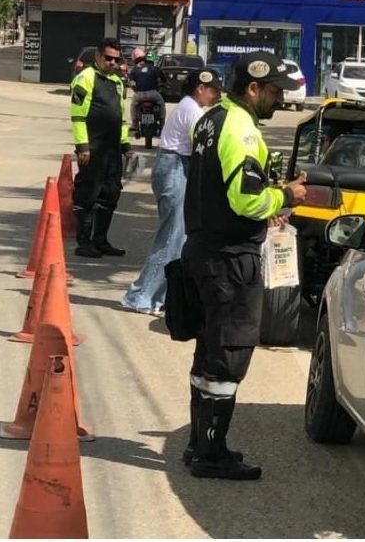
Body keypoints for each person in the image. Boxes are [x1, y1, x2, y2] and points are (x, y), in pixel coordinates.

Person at [181, 51, 307, 481]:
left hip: (202, 251)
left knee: (209, 353)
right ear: (252, 88)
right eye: (274, 92)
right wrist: (286, 196)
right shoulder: (241, 129)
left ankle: (200, 445)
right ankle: (210, 455)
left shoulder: (211, 119)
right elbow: (247, 199)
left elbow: (220, 188)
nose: (280, 101)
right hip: (230, 259)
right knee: (229, 356)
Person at [121, 69, 223, 315]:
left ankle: (159, 296)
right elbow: (204, 144)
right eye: (214, 91)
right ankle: (140, 296)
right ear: (201, 88)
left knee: (179, 237)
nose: (217, 96)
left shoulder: (191, 108)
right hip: (175, 167)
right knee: (171, 237)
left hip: (178, 167)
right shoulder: (192, 110)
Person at [70, 37, 133, 258]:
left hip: (112, 149)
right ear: (98, 56)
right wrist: (83, 146)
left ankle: (101, 239)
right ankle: (84, 242)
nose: (112, 63)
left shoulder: (117, 81)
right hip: (92, 148)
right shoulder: (85, 78)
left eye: (116, 59)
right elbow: (77, 116)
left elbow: (121, 117)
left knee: (110, 194)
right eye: (108, 58)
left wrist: (125, 145)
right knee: (88, 194)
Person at [129, 47, 166, 134]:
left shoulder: (135, 69)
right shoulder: (155, 69)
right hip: (153, 93)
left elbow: (131, 82)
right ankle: (162, 124)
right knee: (162, 104)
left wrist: (135, 87)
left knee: (133, 105)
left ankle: (134, 124)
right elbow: (163, 79)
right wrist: (164, 83)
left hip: (139, 95)